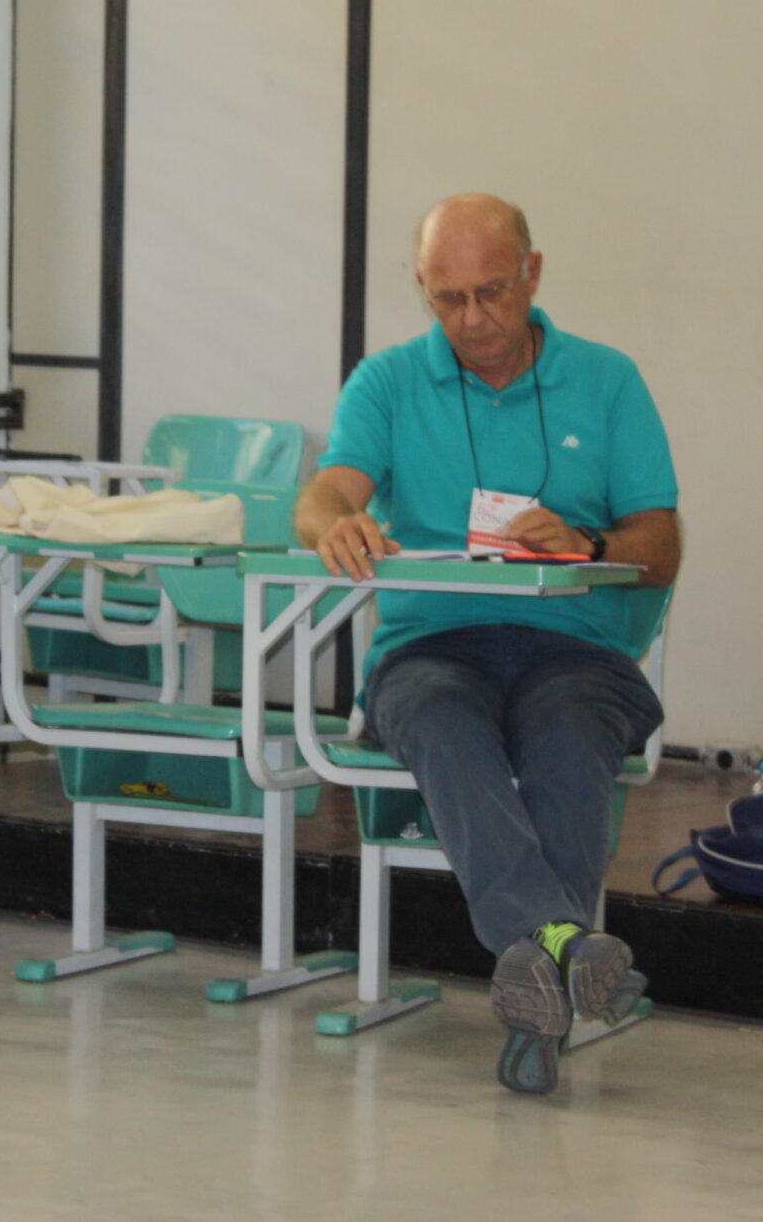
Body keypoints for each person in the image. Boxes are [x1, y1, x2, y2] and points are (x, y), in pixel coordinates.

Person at [295, 194, 680, 1095]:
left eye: (493, 292)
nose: (473, 319)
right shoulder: (388, 381)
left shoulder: (607, 380)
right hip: (433, 645)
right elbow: (323, 494)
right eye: (449, 298)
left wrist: (587, 543)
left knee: (569, 731)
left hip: (574, 648)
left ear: (533, 273)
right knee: (437, 718)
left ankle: (537, 980)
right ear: (423, 290)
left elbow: (660, 544)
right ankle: (563, 947)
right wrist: (333, 524)